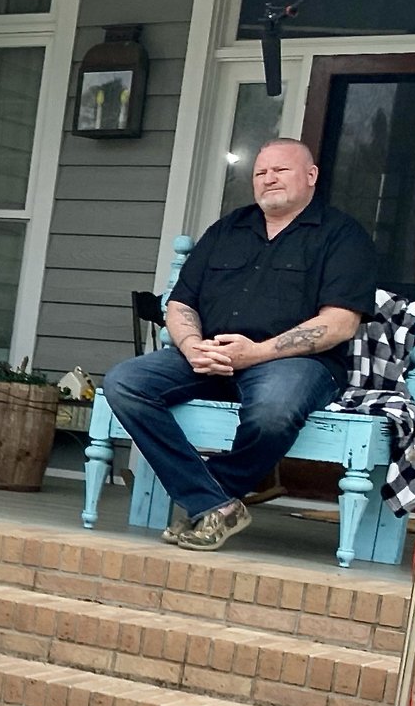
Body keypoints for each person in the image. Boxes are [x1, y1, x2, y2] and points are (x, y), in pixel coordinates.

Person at [99, 137, 378, 553]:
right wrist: (193, 345)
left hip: (292, 362)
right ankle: (214, 503)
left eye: (280, 170)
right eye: (260, 173)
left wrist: (258, 352)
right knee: (125, 382)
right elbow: (178, 303)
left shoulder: (342, 235)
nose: (269, 179)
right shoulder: (227, 229)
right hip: (209, 356)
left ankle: (209, 496)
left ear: (311, 176)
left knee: (273, 411)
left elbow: (339, 324)